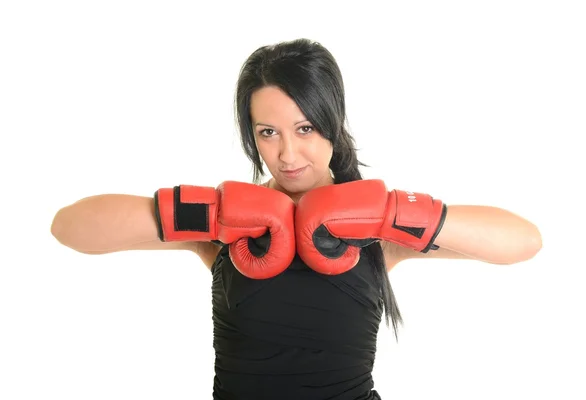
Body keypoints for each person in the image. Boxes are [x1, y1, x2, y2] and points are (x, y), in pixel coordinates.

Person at [50, 38, 543, 400]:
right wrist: (208, 213)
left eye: (305, 127)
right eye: (268, 132)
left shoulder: (376, 231)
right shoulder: (225, 226)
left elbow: (524, 241)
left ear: (333, 121)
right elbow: (69, 228)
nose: (287, 154)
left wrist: (394, 212)